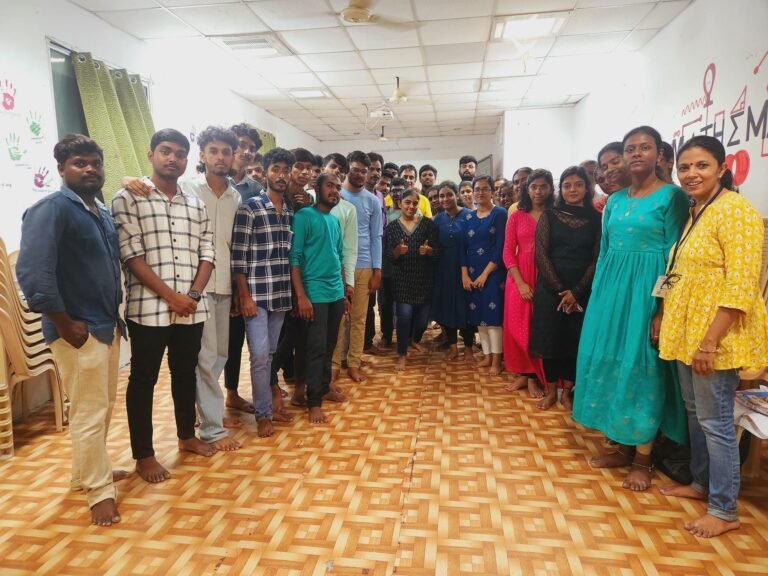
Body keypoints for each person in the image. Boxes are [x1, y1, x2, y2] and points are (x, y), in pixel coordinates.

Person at [658, 135, 768, 538]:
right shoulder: (699, 210)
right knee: (695, 412)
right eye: (685, 167)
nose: (691, 174)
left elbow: (741, 287)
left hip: (715, 338)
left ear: (722, 168)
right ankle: (701, 482)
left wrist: (709, 343)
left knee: (715, 421)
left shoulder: (736, 211)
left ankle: (724, 509)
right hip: (687, 333)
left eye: (701, 165)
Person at [573, 125, 690, 491]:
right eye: (630, 149)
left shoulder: (673, 197)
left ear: (659, 154)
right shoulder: (615, 201)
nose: (636, 153)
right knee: (612, 364)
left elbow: (676, 258)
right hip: (612, 294)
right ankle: (622, 447)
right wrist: (598, 298)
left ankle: (643, 458)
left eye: (645, 147)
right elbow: (605, 253)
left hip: (647, 296)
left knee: (643, 369)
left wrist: (662, 309)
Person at [17, 134, 126, 526]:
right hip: (78, 329)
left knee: (101, 407)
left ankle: (85, 474)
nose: (90, 169)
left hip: (105, 325)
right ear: (62, 168)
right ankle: (99, 492)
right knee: (88, 412)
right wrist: (64, 323)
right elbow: (33, 273)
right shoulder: (51, 209)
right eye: (80, 163)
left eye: (95, 162)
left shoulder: (99, 211)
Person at [112, 128, 216, 484]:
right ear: (151, 154)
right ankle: (144, 455)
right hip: (148, 309)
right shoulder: (128, 198)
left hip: (192, 308)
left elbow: (207, 251)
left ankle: (187, 436)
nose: (173, 158)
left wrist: (193, 295)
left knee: (185, 373)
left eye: (180, 154)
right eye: (166, 151)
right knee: (143, 380)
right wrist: (172, 297)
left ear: (188, 160)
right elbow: (131, 254)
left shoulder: (195, 204)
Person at [182, 126, 243, 452]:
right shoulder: (186, 188)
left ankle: (204, 409)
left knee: (220, 354)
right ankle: (212, 429)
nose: (220, 157)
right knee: (206, 357)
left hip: (225, 286)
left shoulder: (236, 197)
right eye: (214, 151)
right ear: (202, 155)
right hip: (196, 286)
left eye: (226, 152)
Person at [232, 147, 295, 438]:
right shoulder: (250, 208)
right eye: (276, 169)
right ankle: (263, 415)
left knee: (269, 354)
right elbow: (239, 258)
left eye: (286, 170)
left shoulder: (289, 212)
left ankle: (267, 406)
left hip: (280, 294)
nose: (281, 175)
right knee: (259, 355)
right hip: (256, 295)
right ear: (266, 172)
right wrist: (243, 296)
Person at [529, 166, 601, 411]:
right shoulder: (550, 216)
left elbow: (597, 258)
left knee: (573, 343)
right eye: (567, 185)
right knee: (550, 343)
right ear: (561, 189)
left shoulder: (596, 219)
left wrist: (576, 292)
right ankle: (551, 392)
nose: (572, 190)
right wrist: (561, 289)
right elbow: (541, 254)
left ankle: (566, 393)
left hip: (582, 289)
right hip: (551, 289)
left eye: (578, 185)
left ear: (587, 188)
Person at [290, 173, 349, 423]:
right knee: (314, 348)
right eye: (330, 186)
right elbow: (294, 258)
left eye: (338, 187)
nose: (334, 191)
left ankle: (324, 387)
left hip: (335, 293)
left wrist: (344, 292)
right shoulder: (304, 216)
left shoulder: (334, 221)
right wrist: (301, 296)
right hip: (314, 293)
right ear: (317, 188)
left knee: (329, 345)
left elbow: (340, 257)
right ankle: (313, 402)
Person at [224, 123, 265, 420]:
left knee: (236, 339)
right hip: (210, 273)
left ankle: (232, 392)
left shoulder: (255, 189)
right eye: (242, 144)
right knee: (206, 346)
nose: (247, 151)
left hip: (244, 274)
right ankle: (199, 402)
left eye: (252, 147)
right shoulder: (211, 179)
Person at [332, 151, 382, 383]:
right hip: (337, 266)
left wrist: (377, 270)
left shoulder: (372, 200)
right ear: (347, 170)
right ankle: (334, 364)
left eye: (365, 170)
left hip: (364, 265)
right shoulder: (335, 195)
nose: (361, 175)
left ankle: (353, 363)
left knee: (359, 318)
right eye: (356, 170)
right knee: (338, 319)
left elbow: (376, 237)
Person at [502, 169, 553, 397]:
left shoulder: (555, 215)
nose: (538, 191)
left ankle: (534, 377)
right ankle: (524, 373)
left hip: (547, 276)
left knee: (539, 328)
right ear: (527, 189)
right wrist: (521, 283)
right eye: (534, 187)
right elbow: (507, 252)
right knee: (518, 328)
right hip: (519, 276)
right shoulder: (517, 216)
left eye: (543, 186)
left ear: (550, 189)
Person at [385, 189, 439, 372]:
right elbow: (388, 256)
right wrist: (397, 252)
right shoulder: (392, 227)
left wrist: (429, 251)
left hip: (424, 280)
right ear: (400, 203)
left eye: (415, 203)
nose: (411, 206)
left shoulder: (428, 225)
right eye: (407, 202)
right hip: (402, 280)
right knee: (404, 317)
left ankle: (414, 340)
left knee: (422, 321)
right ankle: (402, 354)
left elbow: (438, 253)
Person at [461, 175, 507, 376]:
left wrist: (485, 274)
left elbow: (500, 247)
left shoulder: (499, 214)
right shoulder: (468, 217)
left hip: (493, 273)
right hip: (472, 273)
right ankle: (487, 356)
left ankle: (497, 361)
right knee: (479, 316)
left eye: (485, 189)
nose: (480, 192)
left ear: (492, 192)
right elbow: (463, 248)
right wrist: (465, 274)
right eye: (477, 189)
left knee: (493, 318)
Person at [431, 181, 473, 362]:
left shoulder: (470, 216)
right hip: (443, 269)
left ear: (457, 195)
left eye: (449, 194)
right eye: (441, 196)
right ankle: (453, 347)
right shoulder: (437, 219)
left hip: (466, 268)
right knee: (446, 307)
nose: (445, 199)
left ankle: (469, 348)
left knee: (465, 307)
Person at [593, 142, 631, 213]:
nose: (609, 169)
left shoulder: (650, 192)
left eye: (615, 162)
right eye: (605, 167)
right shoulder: (612, 201)